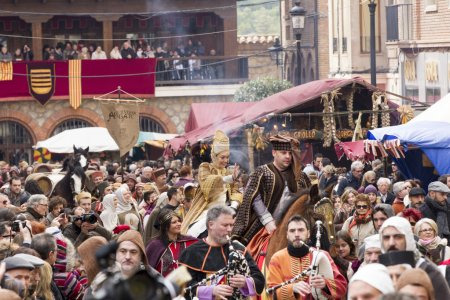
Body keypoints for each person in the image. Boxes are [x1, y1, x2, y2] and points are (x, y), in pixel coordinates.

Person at [232, 134, 310, 245]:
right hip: (266, 223)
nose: (288, 156)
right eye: (283, 153)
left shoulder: (300, 176)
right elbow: (253, 197)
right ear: (274, 153)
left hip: (296, 224)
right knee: (247, 250)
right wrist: (267, 220)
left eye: (290, 153)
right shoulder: (261, 172)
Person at [179, 205, 264, 300]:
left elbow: (259, 279)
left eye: (231, 225)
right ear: (211, 225)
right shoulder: (191, 252)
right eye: (225, 225)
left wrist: (245, 282)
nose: (230, 230)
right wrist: (211, 291)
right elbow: (181, 287)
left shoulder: (238, 249)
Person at [267, 215, 347, 299]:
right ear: (287, 235)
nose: (296, 234)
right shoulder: (277, 258)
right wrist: (292, 288)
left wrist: (325, 284)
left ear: (308, 233)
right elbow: (271, 293)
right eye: (292, 231)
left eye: (301, 230)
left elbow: (342, 287)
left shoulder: (322, 255)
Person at [182, 130, 243, 238]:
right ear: (214, 156)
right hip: (207, 211)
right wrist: (229, 178)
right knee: (192, 234)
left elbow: (236, 191)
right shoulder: (205, 167)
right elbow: (207, 184)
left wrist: (233, 207)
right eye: (222, 157)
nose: (226, 160)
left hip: (227, 210)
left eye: (227, 157)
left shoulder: (228, 171)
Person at [379, 216, 450, 300]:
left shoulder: (429, 272)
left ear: (408, 238)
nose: (391, 243)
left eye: (398, 237)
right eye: (386, 238)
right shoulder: (378, 271)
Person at [146, 209, 197, 276]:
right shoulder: (155, 245)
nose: (179, 224)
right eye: (174, 222)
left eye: (179, 221)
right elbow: (148, 269)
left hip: (187, 284)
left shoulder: (189, 241)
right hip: (163, 285)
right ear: (166, 226)